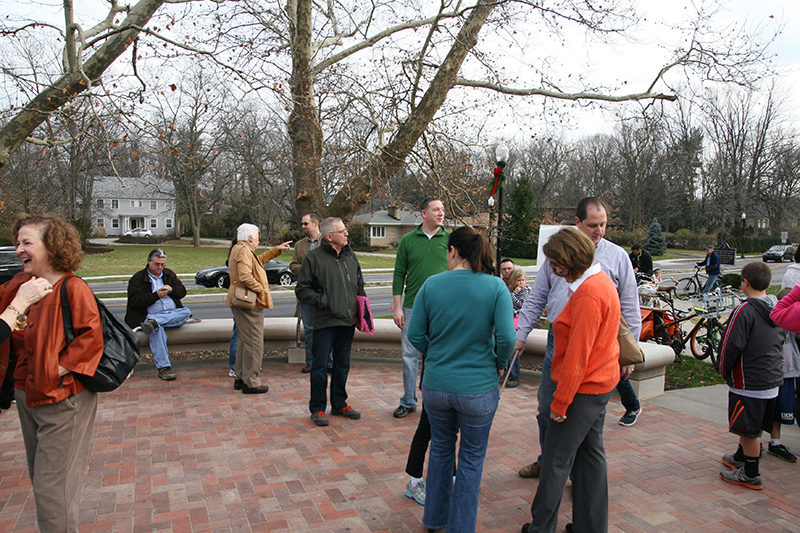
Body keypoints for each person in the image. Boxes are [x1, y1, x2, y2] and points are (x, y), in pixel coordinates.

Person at [515, 197, 643, 479]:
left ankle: (575, 474)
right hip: (558, 343)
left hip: (597, 350)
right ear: (578, 223)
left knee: (584, 419)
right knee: (547, 408)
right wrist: (521, 335)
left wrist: (628, 353)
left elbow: (630, 306)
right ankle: (548, 461)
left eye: (604, 225)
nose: (599, 231)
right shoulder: (556, 254)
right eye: (592, 225)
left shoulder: (617, 257)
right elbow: (537, 297)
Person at [407, 225, 515, 533]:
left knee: (440, 450)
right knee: (471, 459)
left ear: (453, 251)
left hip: (437, 385)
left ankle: (433, 518)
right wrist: (497, 363)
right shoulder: (495, 288)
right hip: (478, 388)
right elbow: (507, 338)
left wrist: (436, 352)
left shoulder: (431, 285)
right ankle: (461, 527)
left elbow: (415, 334)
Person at [0, 215, 104, 532]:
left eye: (27, 242)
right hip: (26, 395)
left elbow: (91, 338)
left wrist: (54, 371)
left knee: (51, 492)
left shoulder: (71, 287)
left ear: (51, 247)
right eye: (17, 242)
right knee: (41, 480)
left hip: (63, 399)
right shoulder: (17, 287)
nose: (19, 249)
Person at [521, 227, 621, 533]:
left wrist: (560, 402)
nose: (553, 270)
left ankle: (541, 528)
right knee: (590, 459)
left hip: (582, 392)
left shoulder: (590, 293)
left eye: (555, 264)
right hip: (597, 388)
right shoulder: (597, 284)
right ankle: (590, 527)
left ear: (569, 260)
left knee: (554, 462)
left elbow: (578, 356)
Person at [718, 262, 785, 490]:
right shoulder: (777, 309)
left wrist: (722, 369)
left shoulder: (744, 311)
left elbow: (730, 345)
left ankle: (750, 473)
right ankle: (740, 457)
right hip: (771, 379)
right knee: (752, 424)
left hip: (748, 381)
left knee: (748, 428)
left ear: (745, 282)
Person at [296, 217, 366, 426]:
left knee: (342, 365)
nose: (346, 234)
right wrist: (324, 301)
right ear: (329, 236)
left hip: (347, 321)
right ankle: (317, 408)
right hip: (324, 322)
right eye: (342, 231)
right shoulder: (314, 258)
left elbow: (359, 284)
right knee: (319, 367)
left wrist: (361, 308)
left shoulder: (350, 256)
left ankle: (339, 404)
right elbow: (302, 290)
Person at [392, 196, 449, 419]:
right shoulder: (408, 240)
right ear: (423, 213)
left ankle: (432, 401)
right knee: (409, 355)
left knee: (436, 356)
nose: (441, 213)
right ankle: (408, 401)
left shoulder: (450, 240)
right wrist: (397, 307)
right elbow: (399, 274)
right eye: (436, 209)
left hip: (442, 310)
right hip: (412, 308)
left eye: (442, 209)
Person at [226, 224, 292, 394]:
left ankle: (241, 378)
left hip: (242, 302)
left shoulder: (240, 249)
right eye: (256, 237)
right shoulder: (243, 250)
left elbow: (258, 261)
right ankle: (251, 382)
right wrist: (261, 288)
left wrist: (275, 250)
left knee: (244, 341)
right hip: (249, 304)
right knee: (254, 343)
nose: (258, 240)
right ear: (249, 238)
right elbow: (245, 276)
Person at [125, 249, 195, 381]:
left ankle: (155, 321)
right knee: (157, 331)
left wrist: (171, 290)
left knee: (186, 312)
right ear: (149, 262)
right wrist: (155, 296)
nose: (160, 268)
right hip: (148, 314)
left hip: (171, 314)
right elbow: (135, 301)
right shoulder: (138, 279)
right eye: (157, 264)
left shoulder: (168, 275)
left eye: (162, 265)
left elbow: (182, 292)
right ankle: (164, 368)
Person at [766, 287, 799, 462]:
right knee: (772, 410)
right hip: (777, 374)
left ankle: (775, 443)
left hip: (792, 372)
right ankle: (768, 442)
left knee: (786, 410)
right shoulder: (773, 321)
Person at [290, 212, 322, 374]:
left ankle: (327, 362)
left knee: (325, 328)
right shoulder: (299, 245)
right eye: (302, 224)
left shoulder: (327, 241)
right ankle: (310, 362)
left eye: (305, 224)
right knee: (309, 329)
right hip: (306, 293)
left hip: (325, 294)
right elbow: (293, 265)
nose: (302, 227)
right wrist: (305, 269)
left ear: (315, 223)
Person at [506, 268, 530, 388]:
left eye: (523, 280)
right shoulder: (509, 290)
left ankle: (513, 375)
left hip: (518, 322)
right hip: (509, 321)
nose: (521, 283)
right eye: (518, 280)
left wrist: (514, 294)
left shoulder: (524, 291)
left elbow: (521, 303)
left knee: (513, 347)